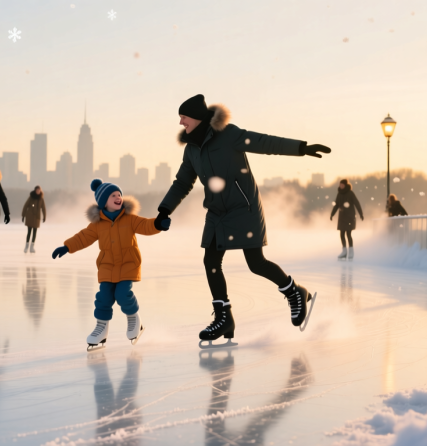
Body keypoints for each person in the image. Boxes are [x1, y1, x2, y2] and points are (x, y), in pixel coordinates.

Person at [156, 94, 331, 345]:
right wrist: (165, 210)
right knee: (211, 261)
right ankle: (224, 317)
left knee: (256, 263)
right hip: (216, 213)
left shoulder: (228, 134)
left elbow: (264, 143)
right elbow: (183, 182)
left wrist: (301, 148)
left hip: (243, 207)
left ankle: (294, 292)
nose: (181, 122)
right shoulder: (192, 149)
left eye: (184, 117)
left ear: (197, 117)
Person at [51, 179, 170, 351]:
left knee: (123, 294)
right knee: (103, 297)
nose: (118, 197)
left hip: (128, 264)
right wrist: (67, 246)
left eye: (119, 194)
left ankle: (134, 319)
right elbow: (83, 237)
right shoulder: (97, 224)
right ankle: (101, 328)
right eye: (113, 195)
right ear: (103, 202)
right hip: (107, 266)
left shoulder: (130, 219)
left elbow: (145, 225)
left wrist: (158, 224)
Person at [330, 179, 364, 260]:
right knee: (342, 234)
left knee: (348, 234)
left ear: (345, 185)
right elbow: (336, 205)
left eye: (342, 185)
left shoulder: (350, 193)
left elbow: (356, 203)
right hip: (342, 217)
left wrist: (361, 214)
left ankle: (351, 251)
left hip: (349, 216)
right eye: (340, 184)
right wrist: (332, 214)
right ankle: (344, 251)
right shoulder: (339, 193)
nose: (341, 186)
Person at [21, 185, 47, 253]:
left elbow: (43, 208)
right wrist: (23, 215)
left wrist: (44, 217)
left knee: (35, 232)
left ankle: (32, 247)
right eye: (37, 190)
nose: (38, 191)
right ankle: (26, 246)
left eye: (39, 190)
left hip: (37, 218)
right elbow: (25, 206)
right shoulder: (31, 197)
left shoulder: (41, 199)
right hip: (30, 216)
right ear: (35, 190)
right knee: (29, 232)